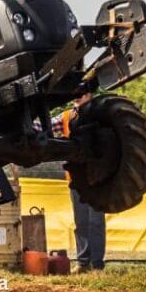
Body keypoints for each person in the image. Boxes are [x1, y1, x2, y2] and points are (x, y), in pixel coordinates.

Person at [38, 94, 106, 272]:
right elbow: (42, 127)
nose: (77, 96)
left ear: (90, 94)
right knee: (81, 221)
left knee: (96, 222)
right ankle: (83, 262)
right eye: (75, 93)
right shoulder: (66, 116)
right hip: (76, 180)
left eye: (81, 93)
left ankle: (97, 264)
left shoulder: (101, 114)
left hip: (98, 178)